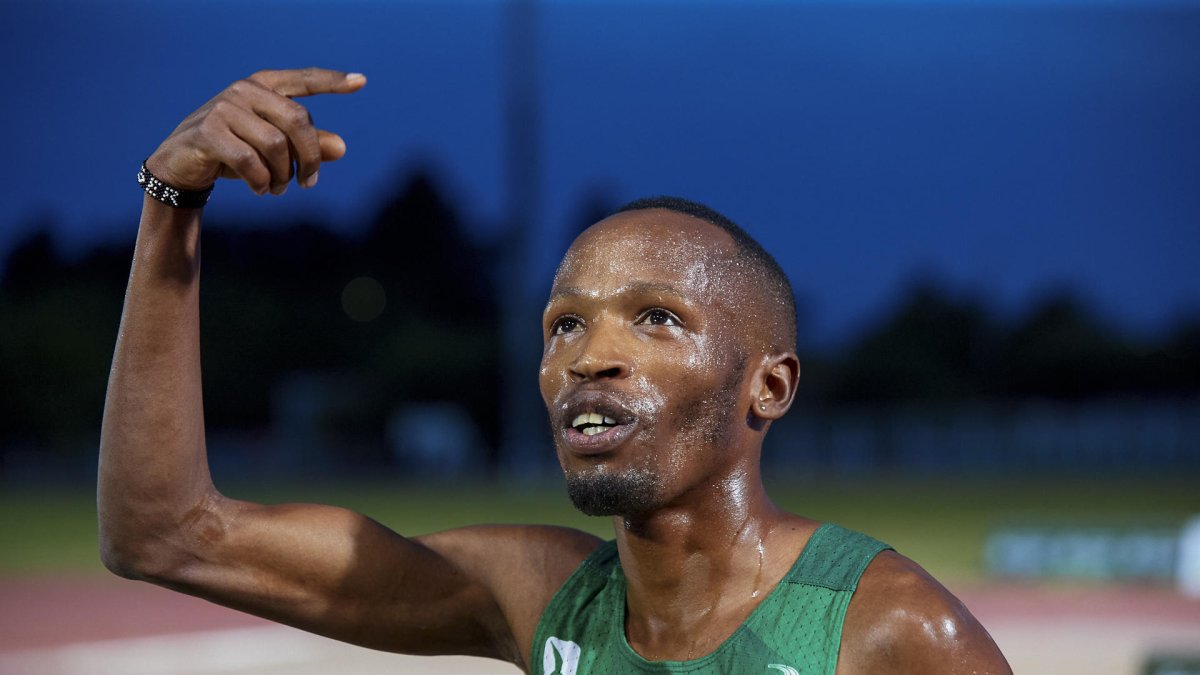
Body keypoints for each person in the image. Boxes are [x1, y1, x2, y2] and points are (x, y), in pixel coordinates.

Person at [99, 67, 1011, 674]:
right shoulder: (537, 594)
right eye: (562, 324)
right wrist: (171, 204)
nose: (589, 354)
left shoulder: (891, 630)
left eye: (656, 318)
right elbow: (163, 532)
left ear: (768, 385)